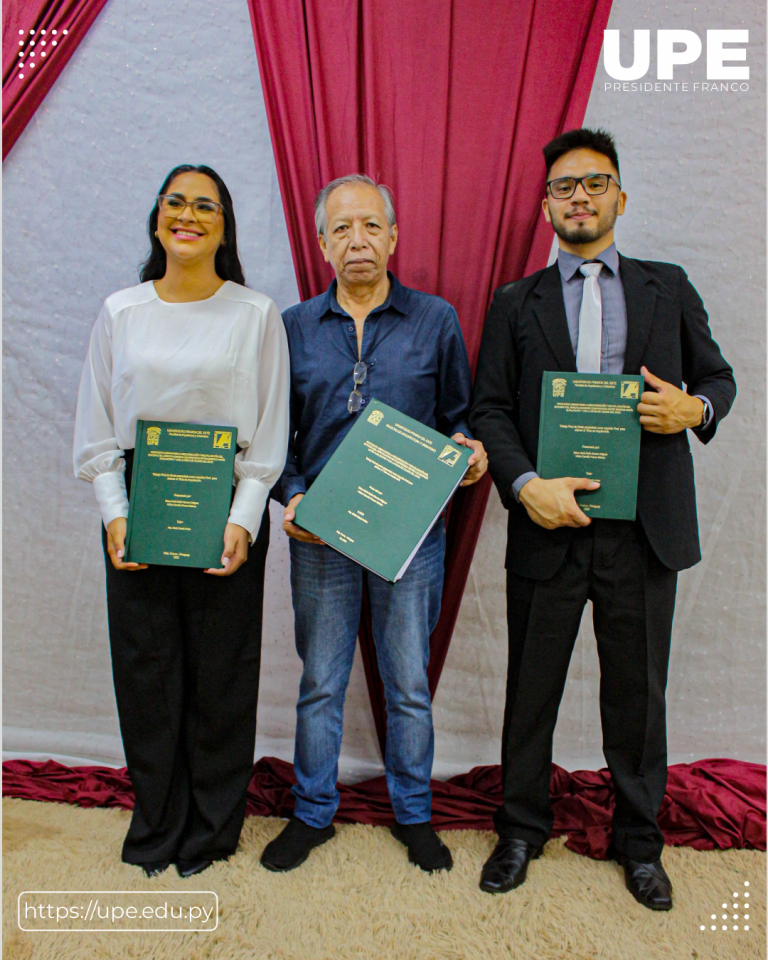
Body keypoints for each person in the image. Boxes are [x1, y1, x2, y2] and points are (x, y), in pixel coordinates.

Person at [470, 129, 735, 909]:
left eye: (595, 182)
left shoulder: (668, 286)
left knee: (637, 695)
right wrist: (523, 487)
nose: (579, 196)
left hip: (644, 529)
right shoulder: (517, 301)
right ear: (545, 205)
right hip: (549, 524)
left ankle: (639, 842)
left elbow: (717, 377)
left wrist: (694, 408)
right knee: (532, 689)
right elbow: (489, 408)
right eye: (564, 186)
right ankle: (520, 828)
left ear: (620, 196)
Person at [259, 174, 488, 875]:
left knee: (408, 682)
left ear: (392, 236)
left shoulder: (436, 320)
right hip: (321, 537)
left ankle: (414, 814)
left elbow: (458, 418)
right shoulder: (293, 327)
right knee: (321, 680)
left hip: (410, 538)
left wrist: (470, 455)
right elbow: (277, 438)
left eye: (370, 226)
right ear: (323, 243)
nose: (356, 240)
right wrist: (291, 499)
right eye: (341, 229)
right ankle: (311, 813)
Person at [73, 164, 290, 879]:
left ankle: (211, 826)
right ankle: (158, 818)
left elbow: (267, 427)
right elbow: (98, 422)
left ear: (224, 227)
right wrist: (114, 512)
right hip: (140, 498)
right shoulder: (120, 311)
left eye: (206, 205)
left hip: (224, 500)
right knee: (147, 667)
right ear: (157, 219)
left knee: (222, 671)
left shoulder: (255, 314)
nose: (188, 215)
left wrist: (245, 519)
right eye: (175, 202)